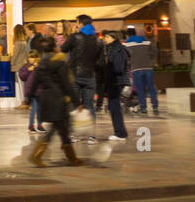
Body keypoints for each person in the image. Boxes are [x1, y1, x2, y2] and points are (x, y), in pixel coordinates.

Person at [30, 45, 82, 167]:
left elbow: (34, 83)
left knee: (62, 129)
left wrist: (28, 100)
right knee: (56, 128)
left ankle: (72, 158)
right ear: (55, 50)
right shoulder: (60, 64)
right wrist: (77, 101)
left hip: (47, 98)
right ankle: (36, 155)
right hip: (59, 99)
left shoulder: (40, 66)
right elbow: (67, 84)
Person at [63, 15, 101, 144]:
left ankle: (75, 135)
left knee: (74, 105)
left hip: (76, 76)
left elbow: (63, 49)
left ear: (80, 24)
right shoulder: (96, 39)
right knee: (90, 105)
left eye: (76, 22)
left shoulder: (75, 37)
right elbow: (99, 59)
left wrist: (73, 34)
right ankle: (92, 136)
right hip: (90, 76)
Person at [100, 31, 130, 141]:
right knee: (113, 108)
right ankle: (120, 132)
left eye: (107, 37)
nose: (104, 39)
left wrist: (108, 67)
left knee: (115, 108)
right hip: (114, 81)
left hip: (116, 81)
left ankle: (120, 133)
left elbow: (118, 68)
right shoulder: (113, 49)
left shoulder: (118, 50)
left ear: (114, 38)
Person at [124, 26, 159, 115]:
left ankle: (143, 108)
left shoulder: (126, 44)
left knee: (140, 89)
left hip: (136, 69)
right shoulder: (147, 42)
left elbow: (125, 58)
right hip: (148, 68)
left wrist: (129, 64)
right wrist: (151, 61)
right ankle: (155, 108)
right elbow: (155, 51)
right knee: (151, 88)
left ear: (127, 35)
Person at [19, 52, 43, 133]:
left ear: (37, 58)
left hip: (40, 90)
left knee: (40, 109)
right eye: (30, 57)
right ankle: (31, 125)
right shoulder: (25, 67)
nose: (31, 59)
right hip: (31, 91)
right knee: (34, 108)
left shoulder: (40, 66)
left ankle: (40, 125)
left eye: (33, 57)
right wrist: (28, 70)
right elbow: (22, 77)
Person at [10, 24, 30, 107]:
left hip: (18, 66)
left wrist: (11, 63)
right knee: (24, 85)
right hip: (24, 65)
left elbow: (15, 55)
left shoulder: (18, 43)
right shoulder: (25, 42)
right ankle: (25, 101)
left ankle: (23, 102)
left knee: (21, 86)